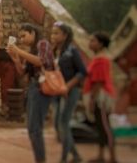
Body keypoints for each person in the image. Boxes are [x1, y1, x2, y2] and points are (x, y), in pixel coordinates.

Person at [8, 23, 55, 163]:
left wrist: (19, 51)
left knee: (35, 128)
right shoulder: (31, 50)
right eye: (20, 37)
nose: (21, 40)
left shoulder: (42, 44)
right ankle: (39, 159)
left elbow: (41, 61)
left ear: (33, 33)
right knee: (32, 128)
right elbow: (22, 73)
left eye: (24, 36)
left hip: (42, 88)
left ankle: (41, 160)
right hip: (33, 88)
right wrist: (15, 59)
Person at [50, 21, 87, 163]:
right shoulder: (54, 52)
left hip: (70, 91)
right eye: (52, 33)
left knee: (63, 123)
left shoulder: (72, 51)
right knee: (57, 125)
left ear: (65, 35)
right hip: (57, 92)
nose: (53, 36)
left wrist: (67, 86)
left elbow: (82, 72)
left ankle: (64, 158)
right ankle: (76, 155)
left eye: (56, 33)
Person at [84, 32, 117, 163]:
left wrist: (92, 99)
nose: (90, 43)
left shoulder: (101, 60)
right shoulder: (98, 58)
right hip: (99, 96)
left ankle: (112, 157)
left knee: (105, 127)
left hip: (101, 97)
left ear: (101, 44)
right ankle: (101, 155)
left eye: (93, 41)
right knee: (101, 126)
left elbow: (98, 82)